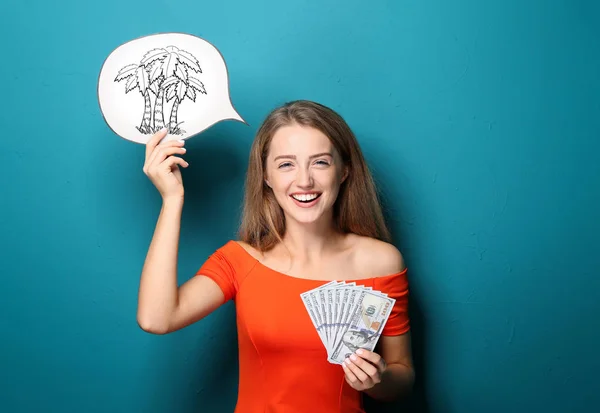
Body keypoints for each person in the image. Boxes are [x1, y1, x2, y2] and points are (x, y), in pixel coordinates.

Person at [136, 100, 415, 412]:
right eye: (286, 164)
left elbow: (401, 376)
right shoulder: (241, 261)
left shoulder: (380, 262)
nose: (304, 180)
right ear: (266, 176)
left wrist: (377, 380)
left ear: (345, 170)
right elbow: (156, 319)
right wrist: (173, 199)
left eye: (320, 162)